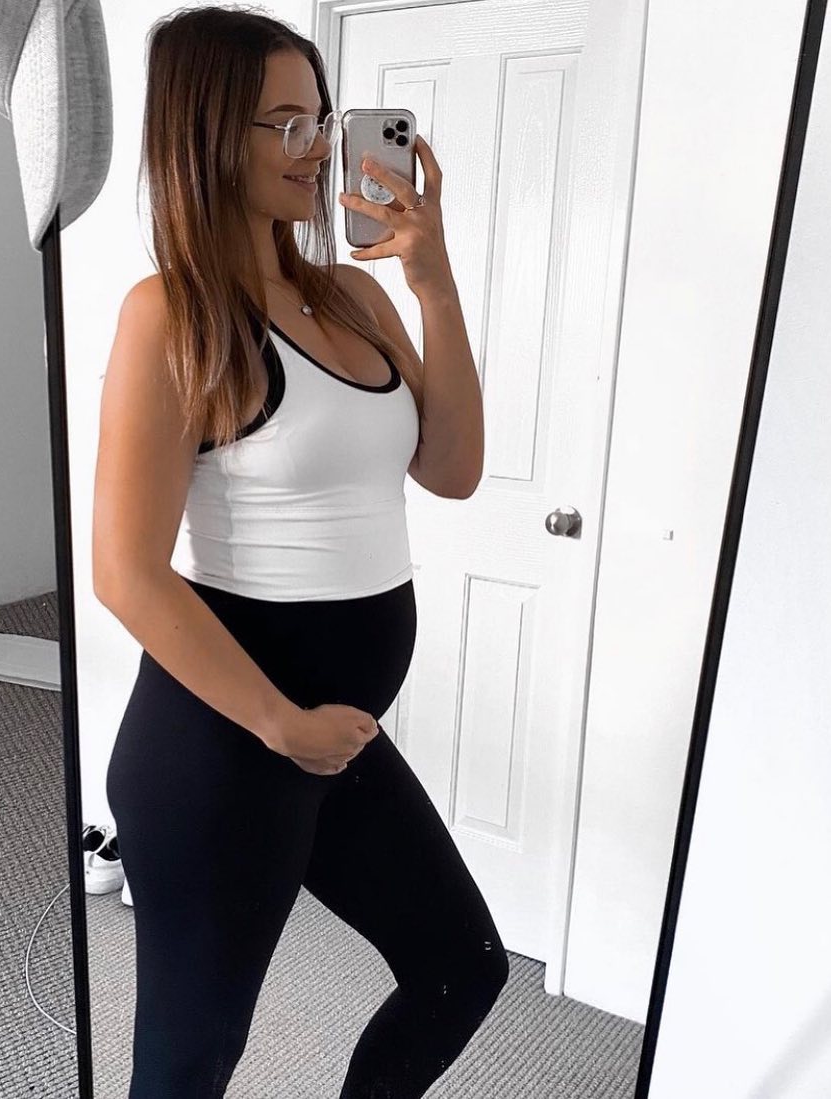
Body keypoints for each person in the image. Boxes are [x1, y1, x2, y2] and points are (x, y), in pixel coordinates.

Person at [94, 7, 508, 1097]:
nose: (317, 147)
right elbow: (125, 569)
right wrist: (283, 723)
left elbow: (453, 468)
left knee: (461, 966)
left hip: (333, 734)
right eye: (282, 123)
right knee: (190, 1061)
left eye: (319, 118)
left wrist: (433, 279)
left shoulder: (351, 293)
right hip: (224, 744)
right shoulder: (171, 315)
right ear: (205, 135)